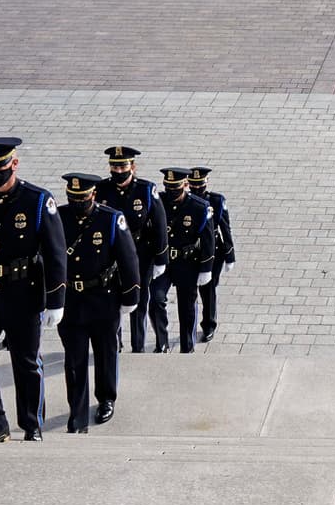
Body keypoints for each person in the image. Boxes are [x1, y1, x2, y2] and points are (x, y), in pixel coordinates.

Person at [0, 137, 66, 443]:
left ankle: (32, 425)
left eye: (1, 167)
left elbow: (56, 252)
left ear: (14, 164)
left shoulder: (36, 200)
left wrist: (55, 300)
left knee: (26, 363)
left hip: (22, 290)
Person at [57, 171, 140, 431]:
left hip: (103, 299)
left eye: (82, 198)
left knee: (105, 354)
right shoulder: (58, 217)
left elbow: (128, 260)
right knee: (74, 360)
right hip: (71, 300)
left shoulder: (111, 219)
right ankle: (77, 412)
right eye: (73, 198)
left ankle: (106, 399)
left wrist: (131, 296)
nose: (77, 203)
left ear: (93, 195)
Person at [94, 145, 169, 354]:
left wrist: (161, 258)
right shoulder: (101, 189)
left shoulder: (145, 190)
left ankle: (138, 346)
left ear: (133, 167)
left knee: (139, 301)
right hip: (112, 255)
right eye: (114, 167)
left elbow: (160, 224)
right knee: (112, 301)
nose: (118, 171)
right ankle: (114, 343)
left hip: (140, 254)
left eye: (123, 166)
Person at [150, 167, 215, 353]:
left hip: (187, 262)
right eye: (168, 187)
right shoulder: (159, 202)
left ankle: (188, 347)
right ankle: (161, 343)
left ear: (185, 185)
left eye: (176, 187)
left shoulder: (199, 206)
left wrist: (206, 268)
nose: (172, 191)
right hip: (164, 263)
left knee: (187, 307)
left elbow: (208, 240)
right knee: (156, 300)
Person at [189, 167, 236, 343]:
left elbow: (225, 227)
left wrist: (230, 255)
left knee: (208, 290)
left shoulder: (216, 201)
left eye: (200, 184)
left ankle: (208, 325)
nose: (196, 188)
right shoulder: (185, 201)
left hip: (213, 251)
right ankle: (190, 325)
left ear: (206, 183)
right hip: (192, 252)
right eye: (193, 185)